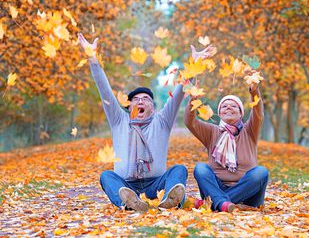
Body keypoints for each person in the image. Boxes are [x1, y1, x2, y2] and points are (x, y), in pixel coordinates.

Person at [78, 33, 215, 212]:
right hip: (126, 185)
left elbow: (180, 92)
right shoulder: (119, 120)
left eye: (146, 99)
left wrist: (194, 64)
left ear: (153, 107)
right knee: (106, 176)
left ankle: (169, 201)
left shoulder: (162, 121)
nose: (140, 101)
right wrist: (92, 58)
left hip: (155, 185)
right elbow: (104, 91)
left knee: (179, 170)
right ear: (129, 106)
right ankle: (128, 203)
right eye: (135, 99)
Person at [184, 80, 268, 213]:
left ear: (241, 113)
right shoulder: (211, 132)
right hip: (216, 188)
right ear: (220, 113)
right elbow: (190, 122)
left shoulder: (250, 130)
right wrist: (193, 100)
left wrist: (254, 91)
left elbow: (258, 114)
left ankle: (216, 203)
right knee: (200, 168)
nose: (228, 107)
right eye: (224, 106)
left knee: (261, 172)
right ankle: (222, 203)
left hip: (248, 194)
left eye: (234, 106)